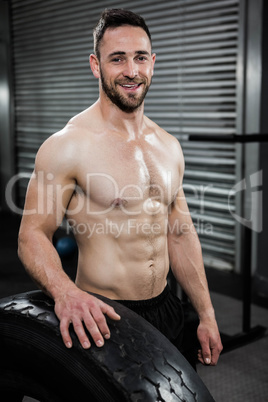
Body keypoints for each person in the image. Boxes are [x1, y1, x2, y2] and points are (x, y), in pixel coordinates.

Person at [18, 8, 223, 368]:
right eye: (117, 59)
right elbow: (32, 234)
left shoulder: (168, 145)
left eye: (140, 57)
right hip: (103, 316)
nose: (131, 71)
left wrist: (206, 313)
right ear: (96, 65)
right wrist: (66, 293)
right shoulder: (68, 145)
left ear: (153, 62)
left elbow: (180, 232)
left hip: (167, 309)